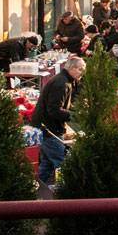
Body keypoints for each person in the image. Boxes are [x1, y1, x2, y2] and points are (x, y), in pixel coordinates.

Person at [31, 56, 85, 187]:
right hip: (49, 129)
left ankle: (36, 188)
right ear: (71, 68)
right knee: (62, 163)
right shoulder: (62, 83)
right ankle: (64, 190)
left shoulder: (65, 80)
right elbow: (54, 110)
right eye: (80, 69)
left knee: (47, 163)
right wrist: (74, 115)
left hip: (45, 127)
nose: (82, 72)